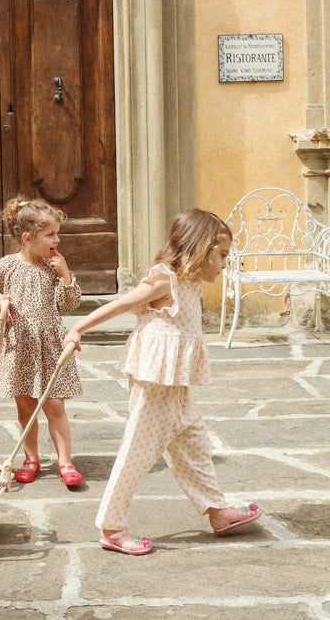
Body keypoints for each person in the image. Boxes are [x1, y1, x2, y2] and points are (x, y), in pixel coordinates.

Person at [64, 208, 262, 555]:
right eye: (221, 255)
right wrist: (78, 328)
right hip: (155, 383)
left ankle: (217, 512)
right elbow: (122, 304)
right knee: (138, 452)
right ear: (200, 249)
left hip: (175, 385)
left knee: (194, 443)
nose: (224, 264)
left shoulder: (190, 282)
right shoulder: (163, 279)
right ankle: (111, 527)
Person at [0, 195, 84, 486]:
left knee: (55, 406)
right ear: (27, 238)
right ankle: (31, 458)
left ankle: (65, 461)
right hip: (18, 348)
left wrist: (65, 276)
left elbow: (69, 303)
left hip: (48, 347)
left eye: (57, 233)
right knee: (25, 407)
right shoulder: (6, 266)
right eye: (50, 234)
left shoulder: (53, 267)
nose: (57, 240)